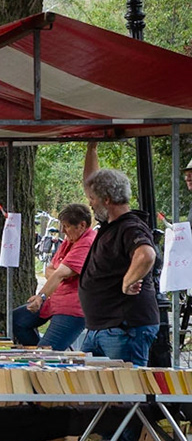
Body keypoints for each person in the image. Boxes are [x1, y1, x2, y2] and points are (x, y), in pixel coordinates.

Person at [77, 153, 159, 367]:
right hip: (102, 328)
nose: (90, 203)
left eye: (92, 199)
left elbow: (146, 254)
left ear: (106, 199)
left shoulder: (130, 227)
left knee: (126, 385)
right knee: (90, 381)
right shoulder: (110, 224)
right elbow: (90, 182)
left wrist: (128, 281)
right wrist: (92, 148)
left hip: (124, 328)